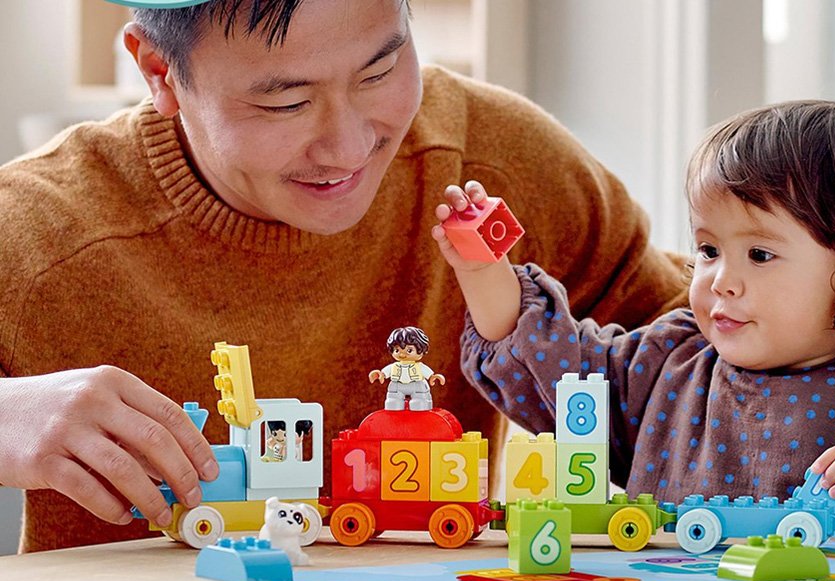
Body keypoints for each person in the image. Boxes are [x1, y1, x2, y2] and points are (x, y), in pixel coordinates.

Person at [0, 0, 687, 552]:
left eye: (380, 72)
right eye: (285, 103)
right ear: (158, 72)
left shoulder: (494, 155)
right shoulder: (40, 231)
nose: (349, 146)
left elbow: (699, 356)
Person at [433, 101, 835, 543]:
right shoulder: (667, 366)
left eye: (759, 254)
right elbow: (549, 365)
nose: (720, 279)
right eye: (708, 249)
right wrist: (482, 270)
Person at [368, 326, 445, 411]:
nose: (402, 354)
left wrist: (432, 377)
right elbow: (384, 373)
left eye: (409, 350)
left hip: (417, 386)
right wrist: (380, 375)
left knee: (419, 403)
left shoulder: (419, 366)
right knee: (393, 402)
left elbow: (429, 375)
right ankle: (394, 401)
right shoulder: (394, 366)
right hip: (397, 386)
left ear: (421, 350)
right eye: (397, 350)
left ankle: (421, 401)